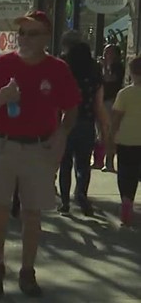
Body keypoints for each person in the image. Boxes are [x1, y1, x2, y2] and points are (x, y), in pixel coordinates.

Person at [0, 11, 80, 298]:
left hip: (39, 148)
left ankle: (27, 272)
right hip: (5, 145)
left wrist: (61, 134)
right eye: (21, 33)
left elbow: (72, 108)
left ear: (46, 37)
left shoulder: (57, 69)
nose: (24, 39)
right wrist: (2, 99)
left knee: (31, 214)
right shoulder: (0, 66)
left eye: (32, 34)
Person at [58, 41, 110, 215]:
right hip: (86, 123)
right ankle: (81, 193)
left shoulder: (64, 74)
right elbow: (98, 105)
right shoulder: (94, 75)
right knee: (83, 165)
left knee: (65, 164)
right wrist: (104, 128)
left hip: (65, 123)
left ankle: (64, 202)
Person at [107, 55, 141, 226]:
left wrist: (111, 138)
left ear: (132, 72)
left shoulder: (124, 94)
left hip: (126, 138)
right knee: (135, 174)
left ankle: (125, 200)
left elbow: (116, 119)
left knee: (124, 172)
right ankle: (131, 198)